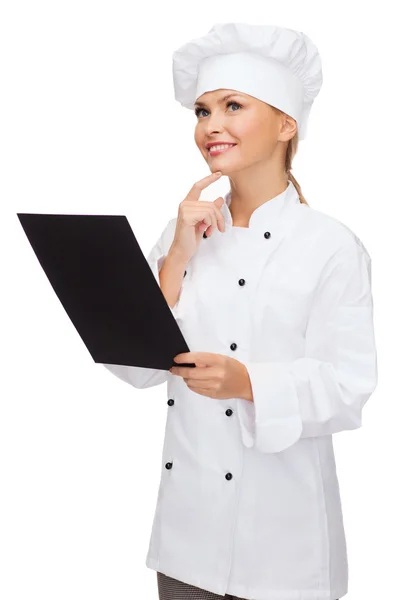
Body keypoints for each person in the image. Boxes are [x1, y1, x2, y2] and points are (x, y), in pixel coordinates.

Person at [103, 22, 378, 600]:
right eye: (202, 111)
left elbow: (348, 385)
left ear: (286, 124)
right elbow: (135, 367)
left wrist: (249, 382)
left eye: (232, 105)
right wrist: (177, 256)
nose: (211, 126)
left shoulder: (330, 245)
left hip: (282, 547)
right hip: (185, 544)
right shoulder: (181, 232)